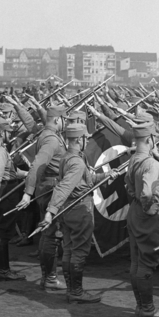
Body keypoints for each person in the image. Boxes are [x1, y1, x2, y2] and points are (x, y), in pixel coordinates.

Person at [41, 123, 118, 303]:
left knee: (69, 248)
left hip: (67, 210)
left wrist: (106, 175)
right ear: (80, 139)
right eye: (86, 138)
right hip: (78, 208)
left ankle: (71, 290)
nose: (87, 141)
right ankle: (76, 292)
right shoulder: (76, 162)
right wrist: (49, 212)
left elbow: (86, 180)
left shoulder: (70, 157)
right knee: (79, 251)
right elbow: (64, 187)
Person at [125, 119, 159, 317]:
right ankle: (147, 308)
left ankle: (141, 306)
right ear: (151, 138)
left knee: (136, 261)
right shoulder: (151, 163)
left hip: (134, 212)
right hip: (147, 216)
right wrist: (152, 207)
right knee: (146, 262)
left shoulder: (134, 159)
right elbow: (147, 192)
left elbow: (129, 187)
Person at [15, 104, 68, 291]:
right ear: (57, 120)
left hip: (47, 186)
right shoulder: (51, 140)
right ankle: (50, 278)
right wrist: (27, 193)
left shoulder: (46, 134)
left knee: (49, 233)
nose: (65, 122)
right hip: (51, 187)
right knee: (52, 235)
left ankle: (48, 276)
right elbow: (37, 166)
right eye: (63, 119)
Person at [0, 118, 27, 281]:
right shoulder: (1, 152)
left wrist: (27, 174)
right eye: (9, 131)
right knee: (2, 233)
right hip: (4, 191)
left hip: (3, 187)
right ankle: (2, 270)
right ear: (2, 133)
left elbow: (10, 171)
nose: (11, 134)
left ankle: (2, 268)